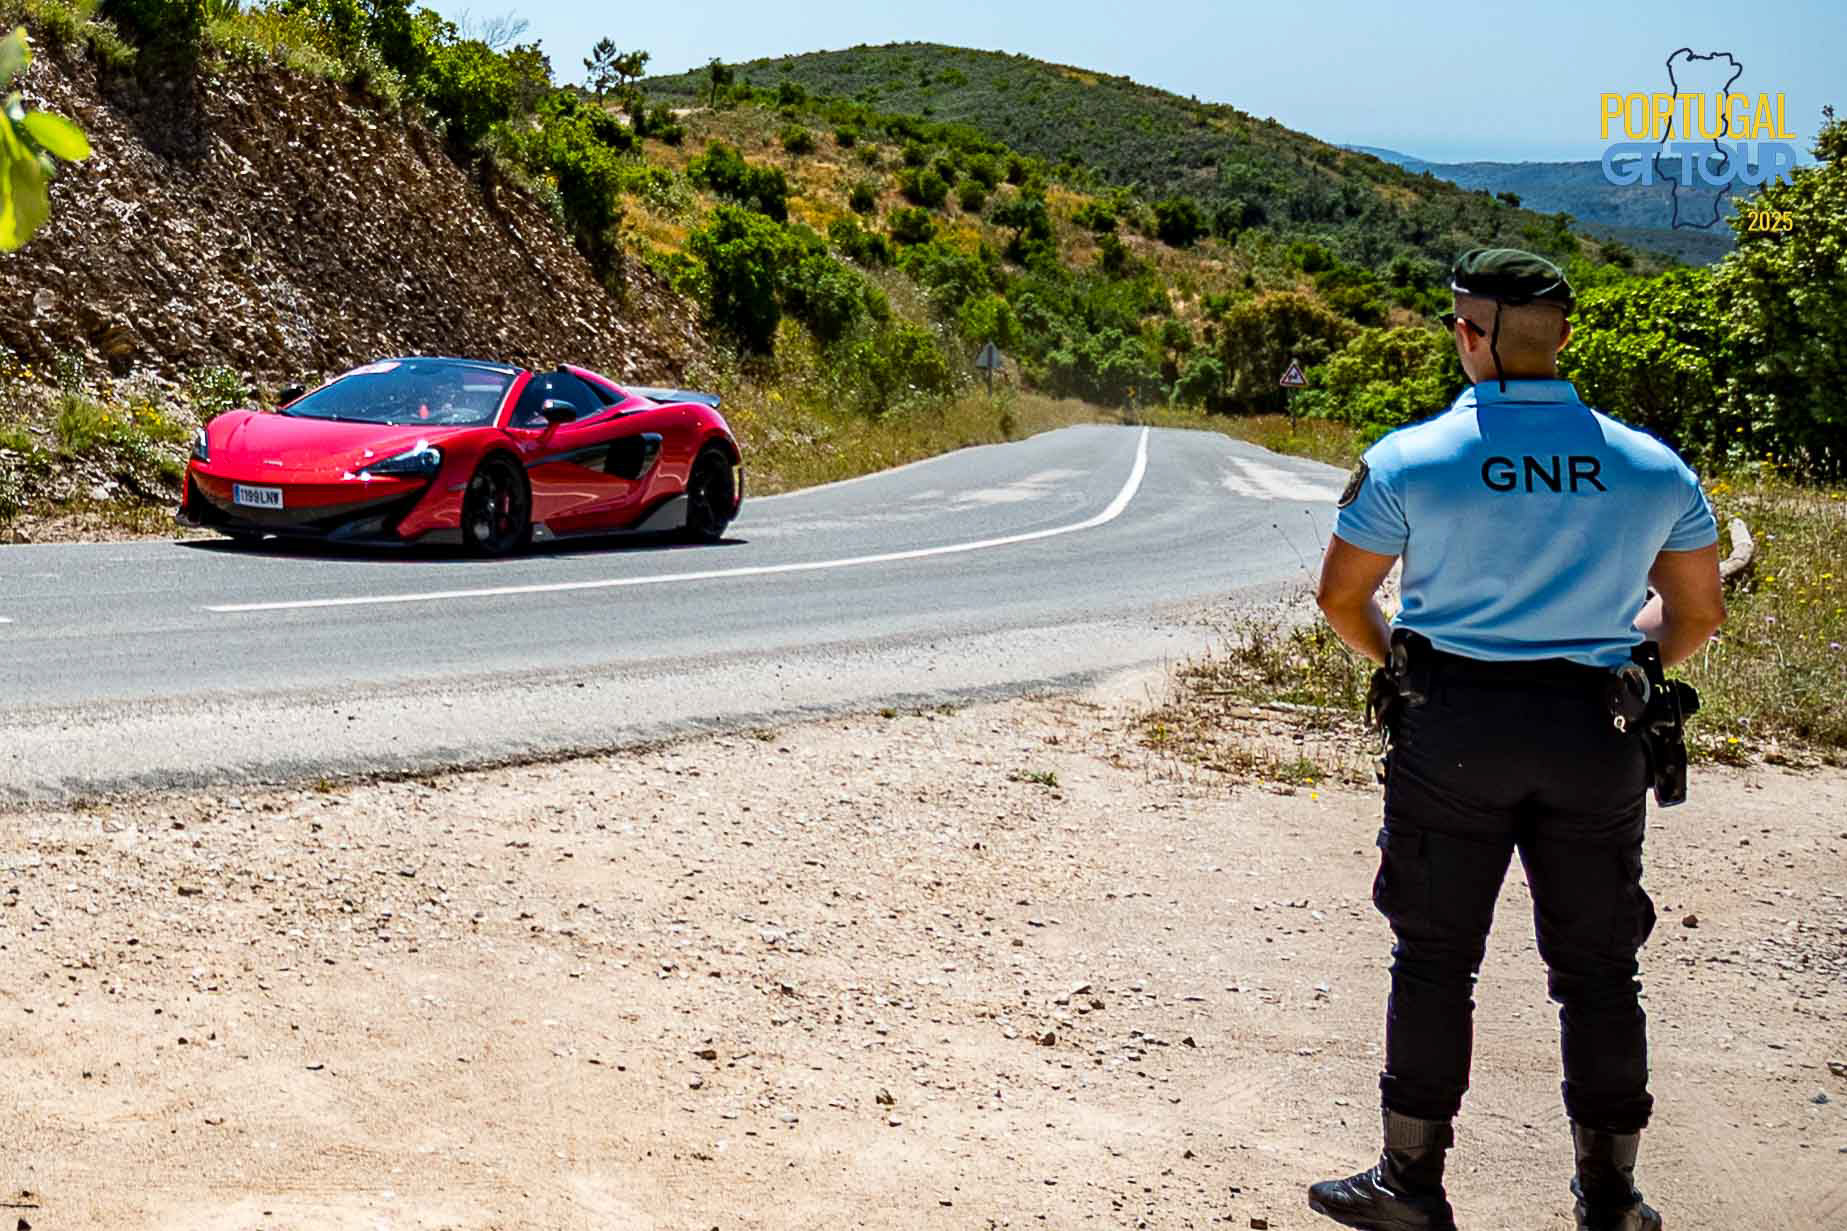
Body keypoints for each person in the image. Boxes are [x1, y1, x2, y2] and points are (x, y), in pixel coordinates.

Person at [1306, 248, 1726, 1231]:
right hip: (1594, 727)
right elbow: (1695, 613)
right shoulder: (1648, 465)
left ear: (1468, 336)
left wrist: (1395, 660)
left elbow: (1340, 595)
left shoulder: (1408, 457)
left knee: (1435, 956)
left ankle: (1409, 1185)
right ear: (1563, 336)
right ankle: (1609, 1199)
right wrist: (1628, 649)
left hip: (1454, 725)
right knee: (1596, 970)